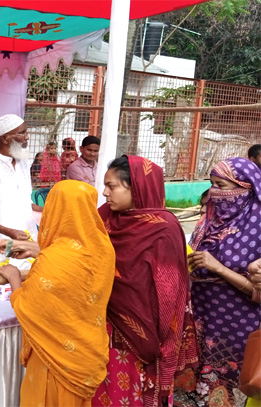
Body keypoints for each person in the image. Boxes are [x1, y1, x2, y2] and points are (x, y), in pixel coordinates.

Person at [0, 180, 115, 407]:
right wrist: (36, 252)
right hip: (87, 355)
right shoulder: (104, 249)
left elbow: (28, 307)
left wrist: (13, 277)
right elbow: (74, 273)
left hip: (55, 361)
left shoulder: (55, 258)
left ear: (54, 211)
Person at [94, 155, 199, 407]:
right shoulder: (104, 217)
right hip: (104, 325)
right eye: (105, 186)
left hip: (147, 329)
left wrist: (162, 337)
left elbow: (171, 290)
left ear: (137, 187)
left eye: (112, 186)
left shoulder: (163, 228)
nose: (105, 193)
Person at [175, 158, 261, 407]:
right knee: (191, 392)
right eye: (212, 184)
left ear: (246, 188)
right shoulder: (209, 221)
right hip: (199, 321)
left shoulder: (258, 228)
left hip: (236, 331)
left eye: (222, 185)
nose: (215, 192)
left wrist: (218, 268)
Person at [0, 113, 37, 265]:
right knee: (4, 283)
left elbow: (24, 200)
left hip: (28, 241)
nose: (27, 137)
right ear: (5, 138)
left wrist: (43, 210)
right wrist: (9, 232)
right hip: (1, 243)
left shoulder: (24, 164)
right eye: (22, 133)